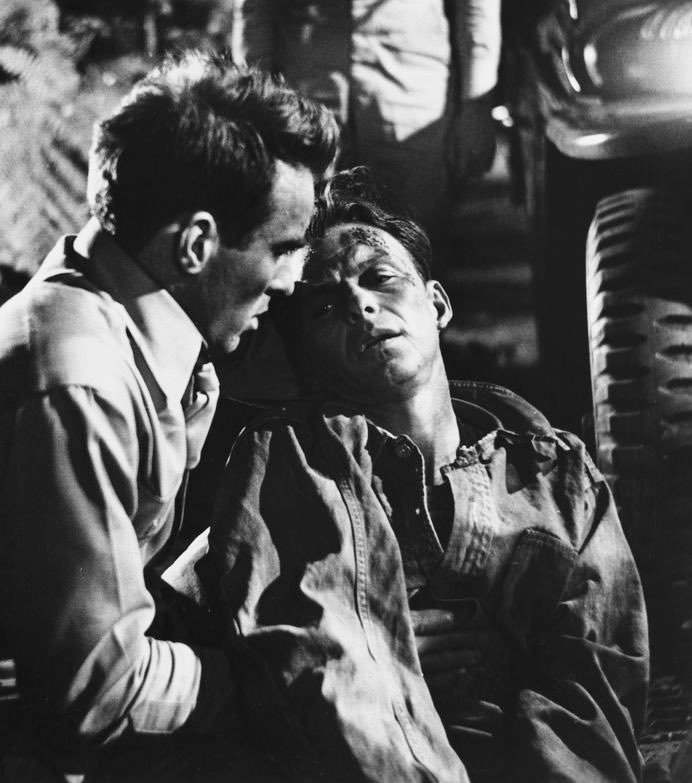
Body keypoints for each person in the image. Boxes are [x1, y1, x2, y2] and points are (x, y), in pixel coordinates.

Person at [0, 51, 338, 781]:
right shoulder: (76, 386)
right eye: (282, 249)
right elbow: (97, 696)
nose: (291, 280)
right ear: (195, 244)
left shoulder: (120, 325)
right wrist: (279, 679)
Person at [175, 167, 649, 781]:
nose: (360, 304)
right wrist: (389, 654)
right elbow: (310, 663)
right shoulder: (292, 460)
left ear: (437, 303)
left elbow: (597, 683)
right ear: (305, 361)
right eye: (325, 306)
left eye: (379, 278)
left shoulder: (559, 480)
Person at [231, 0, 500, 251]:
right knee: (306, 245)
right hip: (307, 95)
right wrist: (256, 101)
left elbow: (476, 7)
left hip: (414, 99)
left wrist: (476, 105)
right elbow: (255, 9)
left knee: (415, 245)